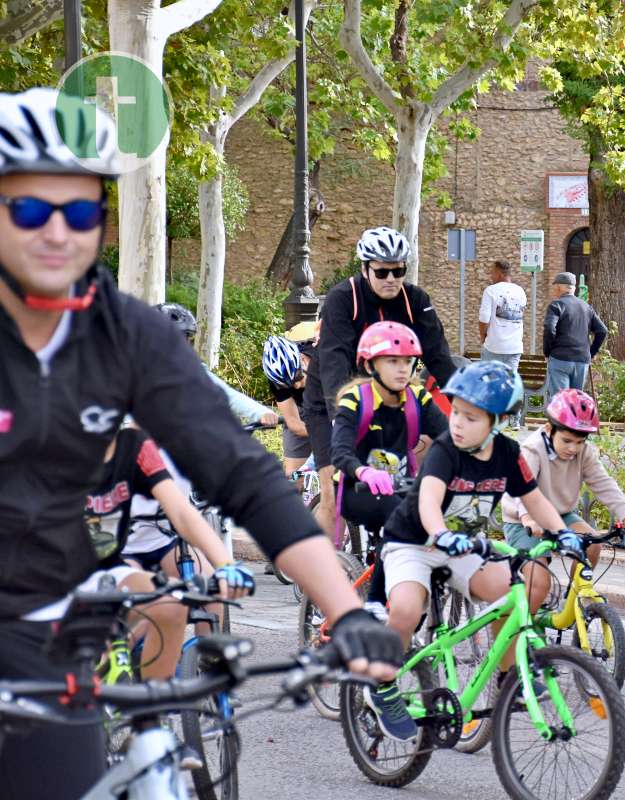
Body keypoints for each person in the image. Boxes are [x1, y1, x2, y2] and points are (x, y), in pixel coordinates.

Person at [0, 87, 402, 798]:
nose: (57, 232)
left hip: (44, 639)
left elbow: (244, 473)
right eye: (30, 209)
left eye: (81, 209)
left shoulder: (128, 337)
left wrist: (344, 611)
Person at [370, 361, 583, 740]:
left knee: (509, 592)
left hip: (463, 546)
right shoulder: (445, 451)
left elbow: (534, 500)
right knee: (404, 610)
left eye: (471, 417)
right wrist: (439, 532)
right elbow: (430, 502)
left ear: (497, 421)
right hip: (414, 542)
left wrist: (563, 533)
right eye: (456, 412)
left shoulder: (508, 452)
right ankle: (383, 685)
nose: (457, 423)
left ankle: (506, 676)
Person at [302, 226, 457, 535]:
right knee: (334, 492)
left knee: (409, 479)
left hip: (390, 399)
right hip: (331, 402)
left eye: (398, 271)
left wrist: (469, 407)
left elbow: (440, 358)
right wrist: (340, 417)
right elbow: (334, 364)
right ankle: (323, 573)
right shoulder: (343, 299)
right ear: (364, 268)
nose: (391, 279)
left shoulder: (415, 300)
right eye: (382, 272)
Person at [86, 424, 254, 679]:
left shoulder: (155, 444)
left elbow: (183, 512)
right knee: (141, 612)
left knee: (204, 589)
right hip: (125, 549)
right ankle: (107, 669)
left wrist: (226, 564)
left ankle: (206, 666)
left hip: (165, 541)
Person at [331, 321, 447, 615]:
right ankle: (375, 602)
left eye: (408, 362)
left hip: (401, 486)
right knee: (400, 518)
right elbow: (340, 452)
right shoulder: (355, 399)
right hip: (354, 489)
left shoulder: (418, 398)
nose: (402, 369)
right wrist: (364, 472)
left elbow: (448, 439)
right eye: (392, 361)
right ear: (371, 366)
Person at [500, 388, 625, 610]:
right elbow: (521, 489)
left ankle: (572, 605)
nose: (573, 448)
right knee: (539, 583)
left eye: (579, 442)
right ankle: (520, 633)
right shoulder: (533, 448)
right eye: (567, 440)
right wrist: (529, 518)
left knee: (592, 545)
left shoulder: (582, 452)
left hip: (560, 515)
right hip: (523, 521)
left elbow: (603, 483)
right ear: (549, 429)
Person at [156, 301, 279, 428]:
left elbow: (226, 394)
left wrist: (261, 413)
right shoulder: (138, 368)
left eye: (186, 339)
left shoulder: (190, 369)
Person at [542, 271, 606, 394]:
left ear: (559, 287)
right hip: (582, 361)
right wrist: (591, 353)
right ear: (573, 288)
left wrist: (547, 352)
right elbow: (602, 331)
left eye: (554, 287)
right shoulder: (586, 307)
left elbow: (549, 328)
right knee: (575, 401)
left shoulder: (556, 305)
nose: (554, 290)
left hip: (560, 358)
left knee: (561, 402)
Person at [263, 333, 311, 478]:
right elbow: (293, 422)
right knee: (293, 477)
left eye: (298, 377)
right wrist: (320, 432)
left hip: (333, 404)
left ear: (303, 360)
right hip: (301, 409)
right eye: (288, 384)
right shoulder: (276, 378)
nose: (296, 386)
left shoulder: (325, 361)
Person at [478, 259, 526, 373]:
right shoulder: (520, 291)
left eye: (492, 273)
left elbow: (484, 318)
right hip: (515, 346)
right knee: (509, 384)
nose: (491, 276)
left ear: (499, 274)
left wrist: (483, 337)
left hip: (494, 346)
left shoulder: (490, 291)